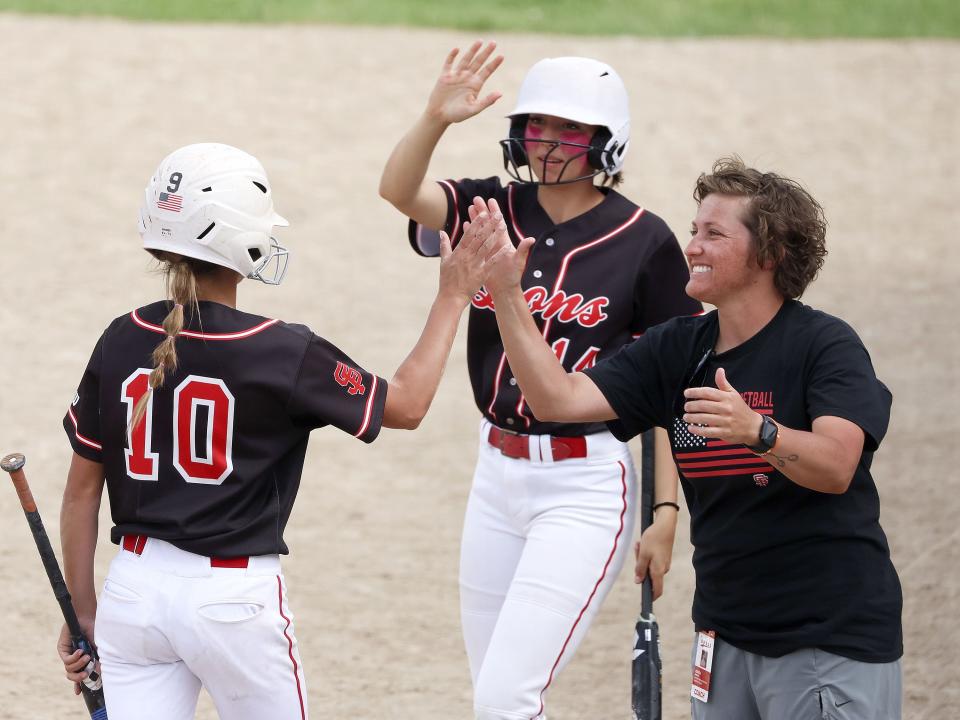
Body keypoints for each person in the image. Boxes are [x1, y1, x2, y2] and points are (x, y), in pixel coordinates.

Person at [56, 143, 505, 720]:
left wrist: (84, 612)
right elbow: (408, 404)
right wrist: (452, 295)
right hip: (232, 605)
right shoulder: (282, 350)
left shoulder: (120, 336)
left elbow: (80, 492)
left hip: (133, 595)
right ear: (243, 236)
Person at [474, 157, 903, 720]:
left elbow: (837, 465)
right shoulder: (679, 348)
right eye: (693, 230)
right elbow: (559, 399)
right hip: (723, 636)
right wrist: (507, 295)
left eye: (713, 234)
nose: (692, 246)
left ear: (769, 255)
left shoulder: (824, 344)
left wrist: (758, 431)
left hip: (826, 639)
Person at [379, 42, 701, 719]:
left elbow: (672, 392)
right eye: (538, 124)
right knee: (496, 697)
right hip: (494, 476)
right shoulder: (487, 207)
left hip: (583, 485)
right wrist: (435, 119)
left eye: (570, 128)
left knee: (506, 698)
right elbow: (399, 191)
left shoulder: (647, 243)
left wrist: (666, 513)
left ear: (605, 142)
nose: (548, 141)